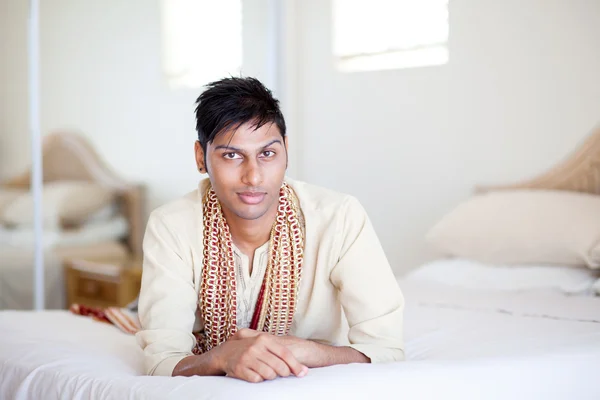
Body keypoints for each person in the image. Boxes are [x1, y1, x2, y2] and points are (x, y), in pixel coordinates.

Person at [136, 77, 404, 383]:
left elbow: (386, 349)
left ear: (286, 150)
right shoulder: (172, 226)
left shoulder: (339, 218)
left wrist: (309, 353)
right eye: (231, 155)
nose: (253, 176)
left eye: (267, 154)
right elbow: (161, 361)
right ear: (201, 158)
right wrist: (222, 356)